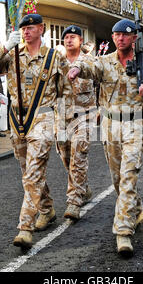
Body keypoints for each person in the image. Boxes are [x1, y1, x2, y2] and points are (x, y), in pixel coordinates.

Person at [68, 19, 143, 257]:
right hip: (111, 128)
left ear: (134, 38)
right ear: (113, 38)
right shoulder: (104, 62)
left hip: (135, 125)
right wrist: (77, 68)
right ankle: (136, 210)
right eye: (116, 35)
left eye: (125, 35)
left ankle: (123, 232)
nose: (120, 38)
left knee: (129, 177)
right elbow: (88, 65)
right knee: (118, 180)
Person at [0, 14, 72, 249]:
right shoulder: (12, 55)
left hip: (43, 116)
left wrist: (63, 121)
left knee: (33, 172)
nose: (27, 31)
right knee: (28, 171)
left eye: (31, 27)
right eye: (24, 28)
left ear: (41, 29)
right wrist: (5, 46)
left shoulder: (55, 57)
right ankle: (47, 208)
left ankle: (25, 228)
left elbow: (65, 90)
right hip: (17, 118)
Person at [55, 25, 96, 220]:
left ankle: (74, 201)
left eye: (73, 37)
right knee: (66, 157)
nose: (69, 40)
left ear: (80, 40)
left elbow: (102, 85)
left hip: (85, 116)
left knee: (79, 154)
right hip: (61, 117)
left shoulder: (90, 61)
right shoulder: (56, 63)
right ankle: (84, 187)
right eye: (67, 37)